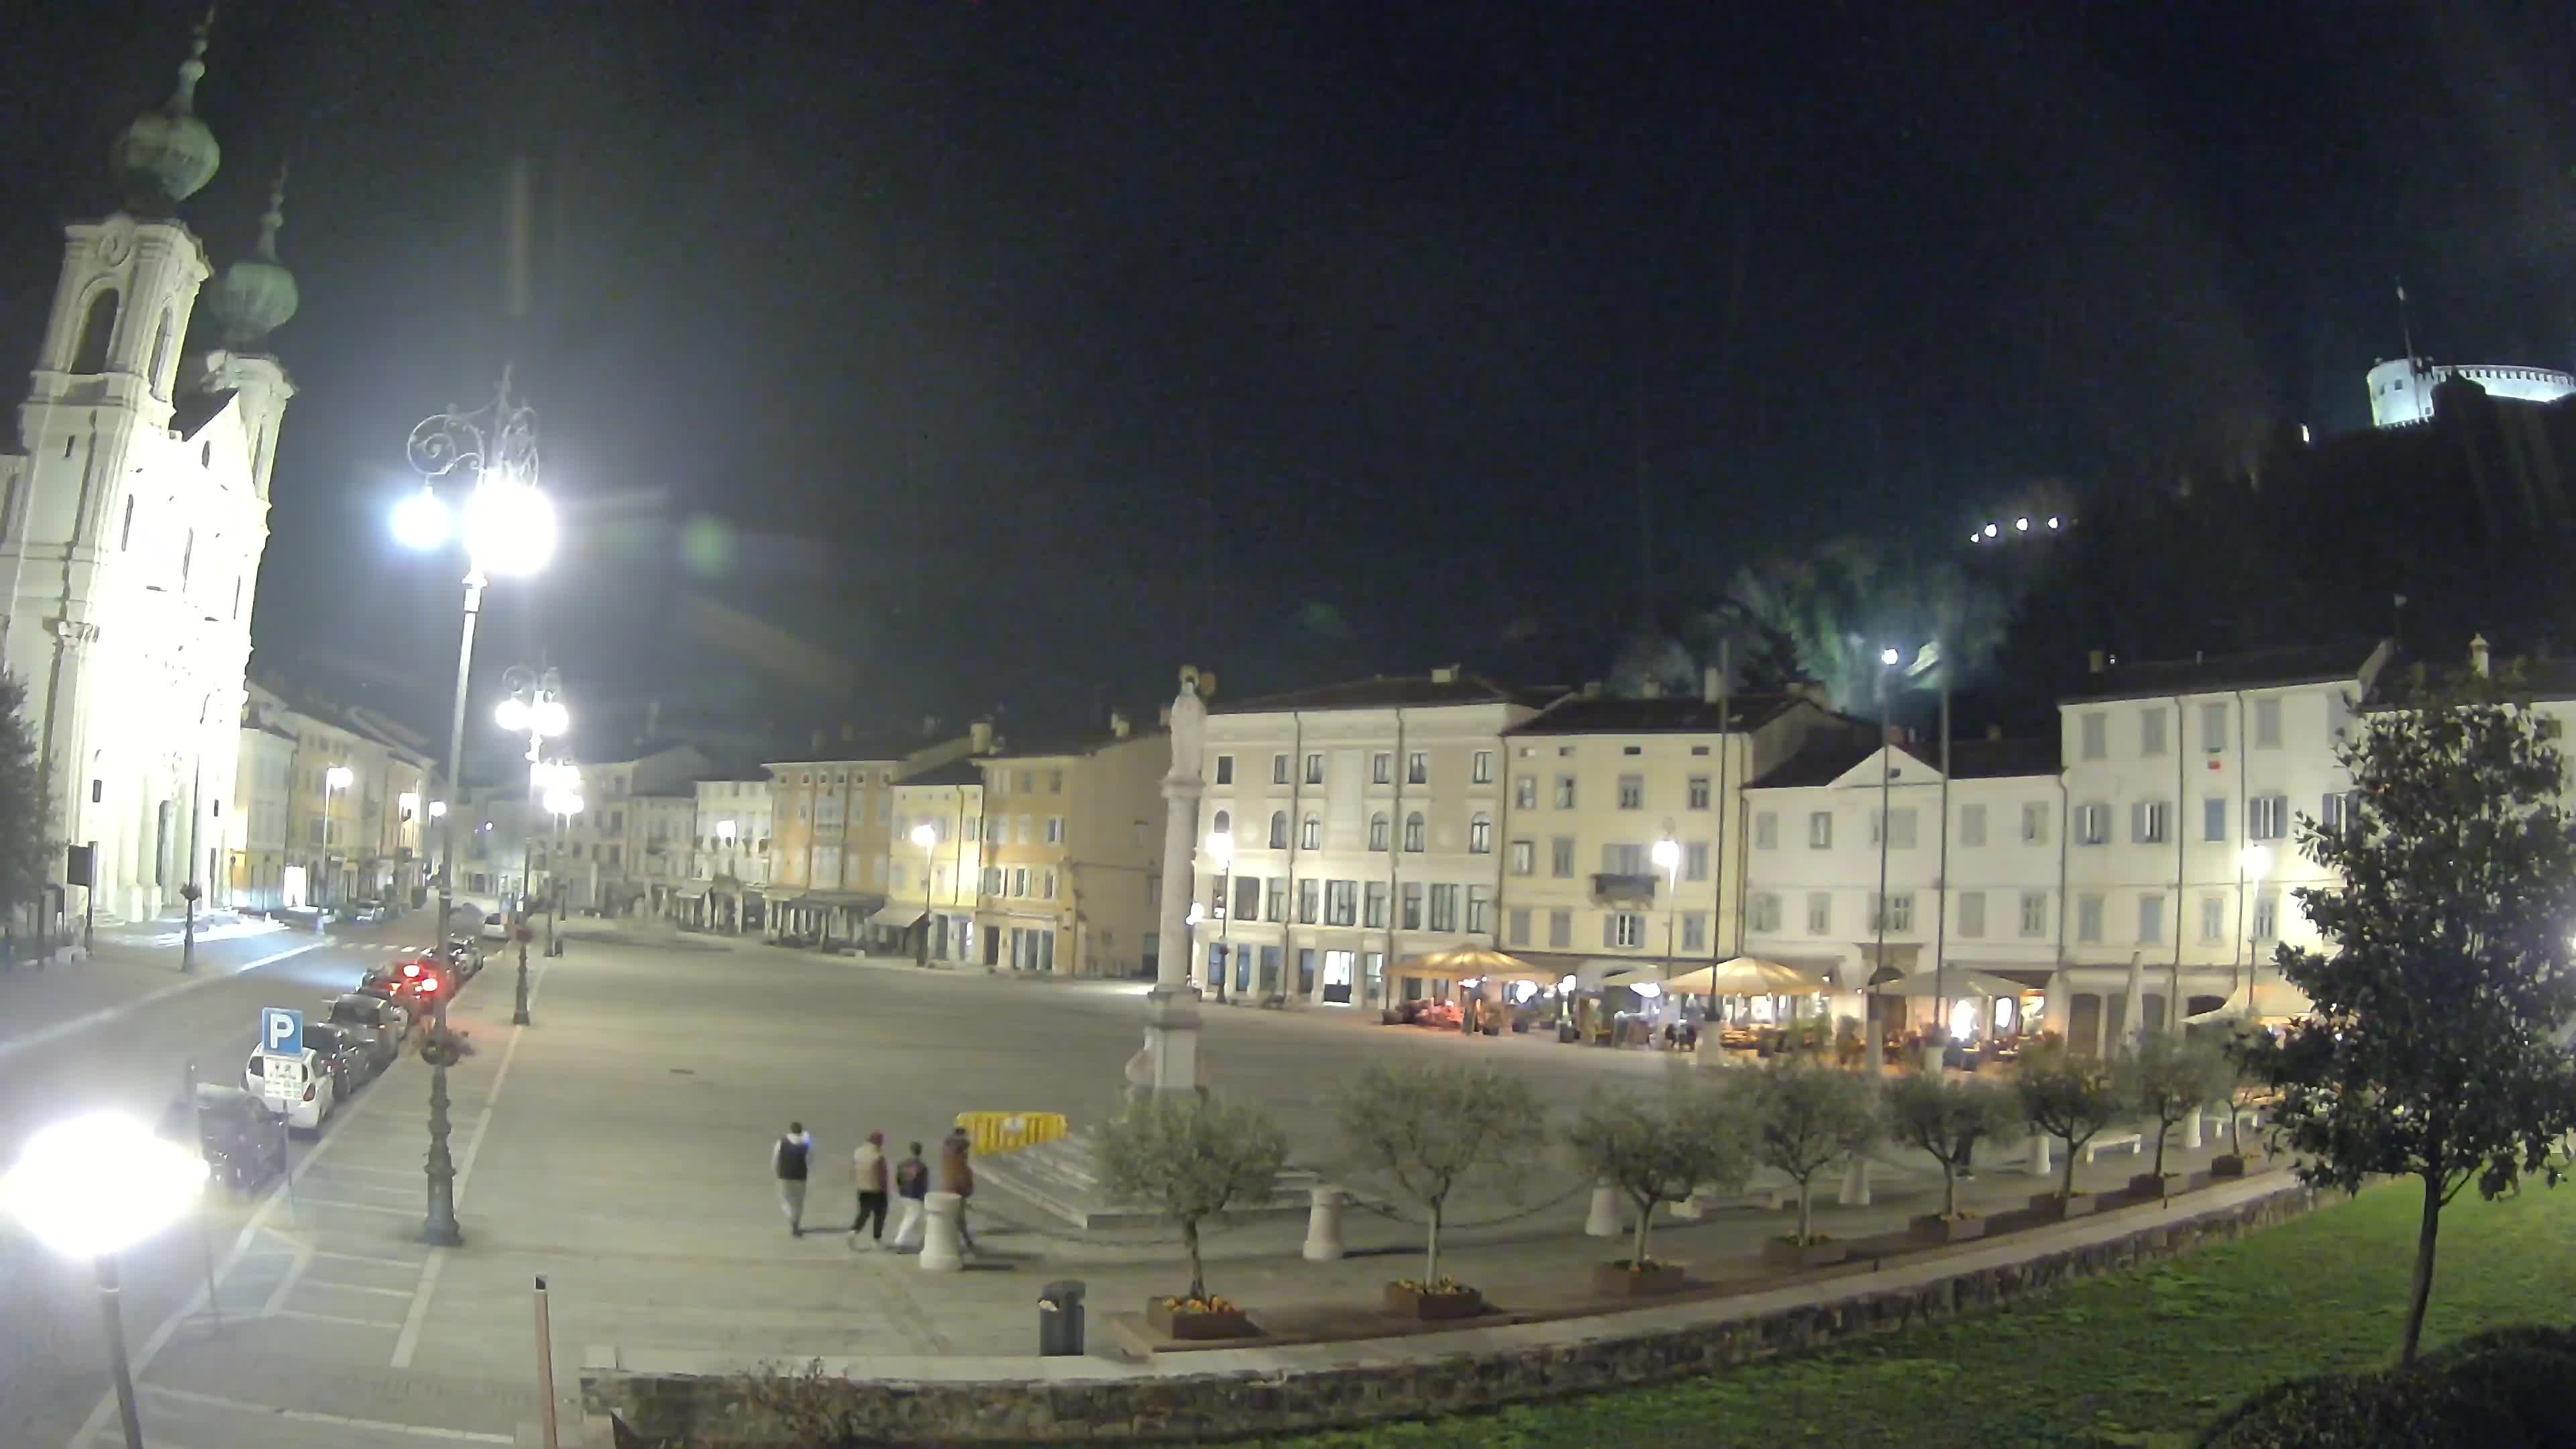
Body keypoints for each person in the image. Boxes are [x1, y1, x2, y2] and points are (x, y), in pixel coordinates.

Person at [849, 1131, 890, 1247]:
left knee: (863, 1213)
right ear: (878, 1142)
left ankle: (853, 1232)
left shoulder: (858, 1152)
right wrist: (885, 1190)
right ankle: (877, 1239)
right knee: (880, 1215)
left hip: (862, 1188)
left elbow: (853, 1168)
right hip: (876, 1189)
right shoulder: (878, 1156)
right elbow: (883, 1175)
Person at [772, 1122, 814, 1236]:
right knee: (799, 1202)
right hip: (800, 1176)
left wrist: (776, 1171)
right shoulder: (806, 1143)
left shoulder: (782, 1141)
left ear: (791, 1130)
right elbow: (810, 1160)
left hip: (784, 1175)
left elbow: (776, 1158)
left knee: (785, 1199)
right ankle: (796, 1221)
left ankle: (791, 1218)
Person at [889, 1140, 930, 1250]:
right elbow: (924, 1185)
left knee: (917, 1218)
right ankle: (900, 1241)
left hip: (904, 1194)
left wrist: (900, 1190)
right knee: (912, 1219)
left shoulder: (902, 1164)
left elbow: (898, 1179)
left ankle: (923, 1240)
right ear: (920, 1151)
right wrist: (924, 1197)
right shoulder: (922, 1167)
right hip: (916, 1196)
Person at [941, 1126, 977, 1252]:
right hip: (958, 1187)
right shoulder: (961, 1160)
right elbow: (963, 1175)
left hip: (947, 1185)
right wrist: (969, 1187)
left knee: (950, 1214)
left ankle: (966, 1240)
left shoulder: (947, 1151)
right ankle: (967, 1242)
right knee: (958, 1216)